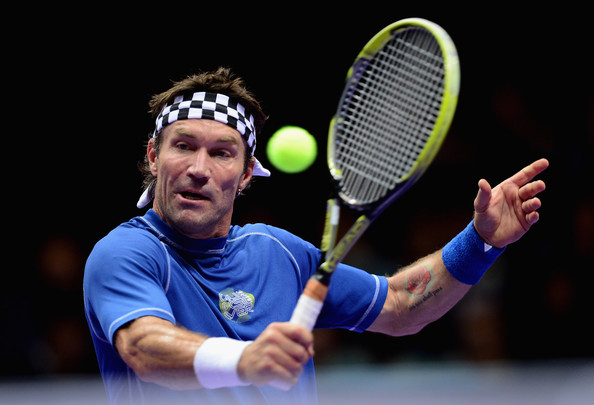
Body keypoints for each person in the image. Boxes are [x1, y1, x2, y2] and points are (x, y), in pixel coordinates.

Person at [83, 67, 549, 404]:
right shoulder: (127, 253)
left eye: (221, 153)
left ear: (246, 174)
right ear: (153, 154)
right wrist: (245, 360)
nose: (198, 169)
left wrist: (480, 241)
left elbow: (401, 307)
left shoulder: (279, 252)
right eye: (183, 146)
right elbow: (143, 346)